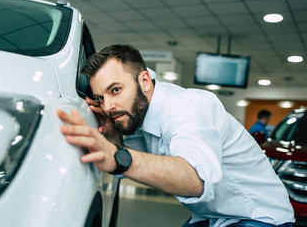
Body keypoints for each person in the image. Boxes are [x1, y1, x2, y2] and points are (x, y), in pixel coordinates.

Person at [56, 44, 294, 226]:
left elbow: (194, 179)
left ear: (145, 80)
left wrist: (116, 156)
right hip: (214, 217)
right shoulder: (142, 116)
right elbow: (137, 161)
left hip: (260, 217)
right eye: (101, 98)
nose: (108, 106)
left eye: (115, 90)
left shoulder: (187, 106)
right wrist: (114, 139)